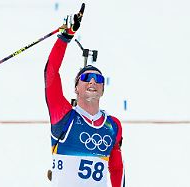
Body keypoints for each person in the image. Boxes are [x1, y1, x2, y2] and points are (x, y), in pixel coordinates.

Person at [44, 4, 125, 187]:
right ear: (76, 88)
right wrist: (65, 38)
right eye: (86, 77)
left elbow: (117, 168)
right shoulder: (64, 115)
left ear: (103, 89)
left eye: (98, 79)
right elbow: (51, 73)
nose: (93, 82)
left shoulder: (113, 125)